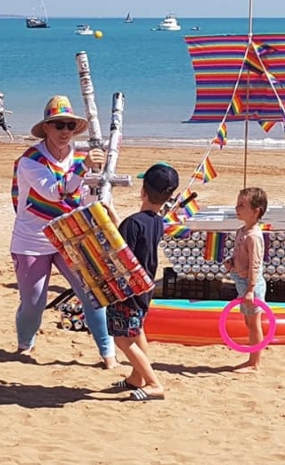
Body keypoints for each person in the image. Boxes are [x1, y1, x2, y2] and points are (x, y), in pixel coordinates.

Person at [10, 95, 117, 367]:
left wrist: (100, 195)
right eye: (58, 125)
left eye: (69, 125)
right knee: (33, 303)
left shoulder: (80, 158)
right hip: (33, 238)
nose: (65, 131)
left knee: (92, 295)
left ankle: (108, 354)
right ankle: (25, 344)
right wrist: (83, 167)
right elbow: (56, 191)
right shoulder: (30, 161)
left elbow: (83, 198)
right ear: (46, 128)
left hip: (71, 236)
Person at [106, 163, 179, 401]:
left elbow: (119, 251)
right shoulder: (156, 222)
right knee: (137, 333)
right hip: (145, 288)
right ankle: (136, 377)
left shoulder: (133, 222)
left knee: (122, 338)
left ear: (143, 192)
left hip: (127, 290)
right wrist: (114, 215)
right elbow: (130, 240)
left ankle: (153, 382)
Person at [224, 187, 268, 372]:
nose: (237, 208)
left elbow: (255, 265)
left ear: (256, 211)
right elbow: (241, 258)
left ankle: (254, 363)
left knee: (254, 323)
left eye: (242, 205)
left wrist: (250, 290)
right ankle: (252, 359)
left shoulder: (253, 237)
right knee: (248, 322)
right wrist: (231, 263)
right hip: (242, 282)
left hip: (252, 285)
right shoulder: (241, 231)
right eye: (237, 204)